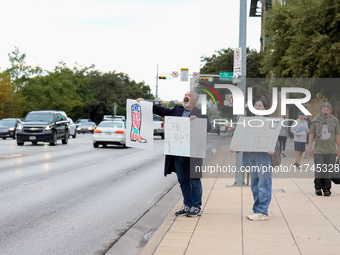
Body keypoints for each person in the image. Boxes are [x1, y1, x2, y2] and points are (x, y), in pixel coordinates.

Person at [137, 91, 211, 217]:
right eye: (185, 95)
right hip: (177, 152)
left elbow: (208, 127)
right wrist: (144, 104)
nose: (186, 96)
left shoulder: (200, 113)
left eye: (189, 95)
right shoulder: (177, 109)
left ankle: (196, 206)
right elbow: (161, 110)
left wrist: (197, 120)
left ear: (195, 100)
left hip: (193, 153)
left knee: (194, 180)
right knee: (182, 179)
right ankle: (187, 205)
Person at [242, 99, 274, 221]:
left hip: (263, 155)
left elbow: (274, 137)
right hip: (251, 155)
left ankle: (262, 211)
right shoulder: (248, 122)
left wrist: (272, 147)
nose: (257, 106)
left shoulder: (269, 122)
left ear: (265, 108)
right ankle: (256, 209)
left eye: (260, 105)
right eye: (255, 105)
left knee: (264, 183)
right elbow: (242, 137)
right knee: (254, 184)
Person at [309, 103, 340, 196]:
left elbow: (337, 135)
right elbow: (311, 134)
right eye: (324, 110)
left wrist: (339, 149)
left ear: (330, 111)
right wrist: (310, 147)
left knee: (329, 170)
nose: (325, 112)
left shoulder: (335, 121)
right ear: (321, 110)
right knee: (319, 169)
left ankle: (326, 188)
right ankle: (318, 188)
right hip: (319, 150)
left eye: (327, 110)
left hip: (331, 151)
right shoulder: (315, 121)